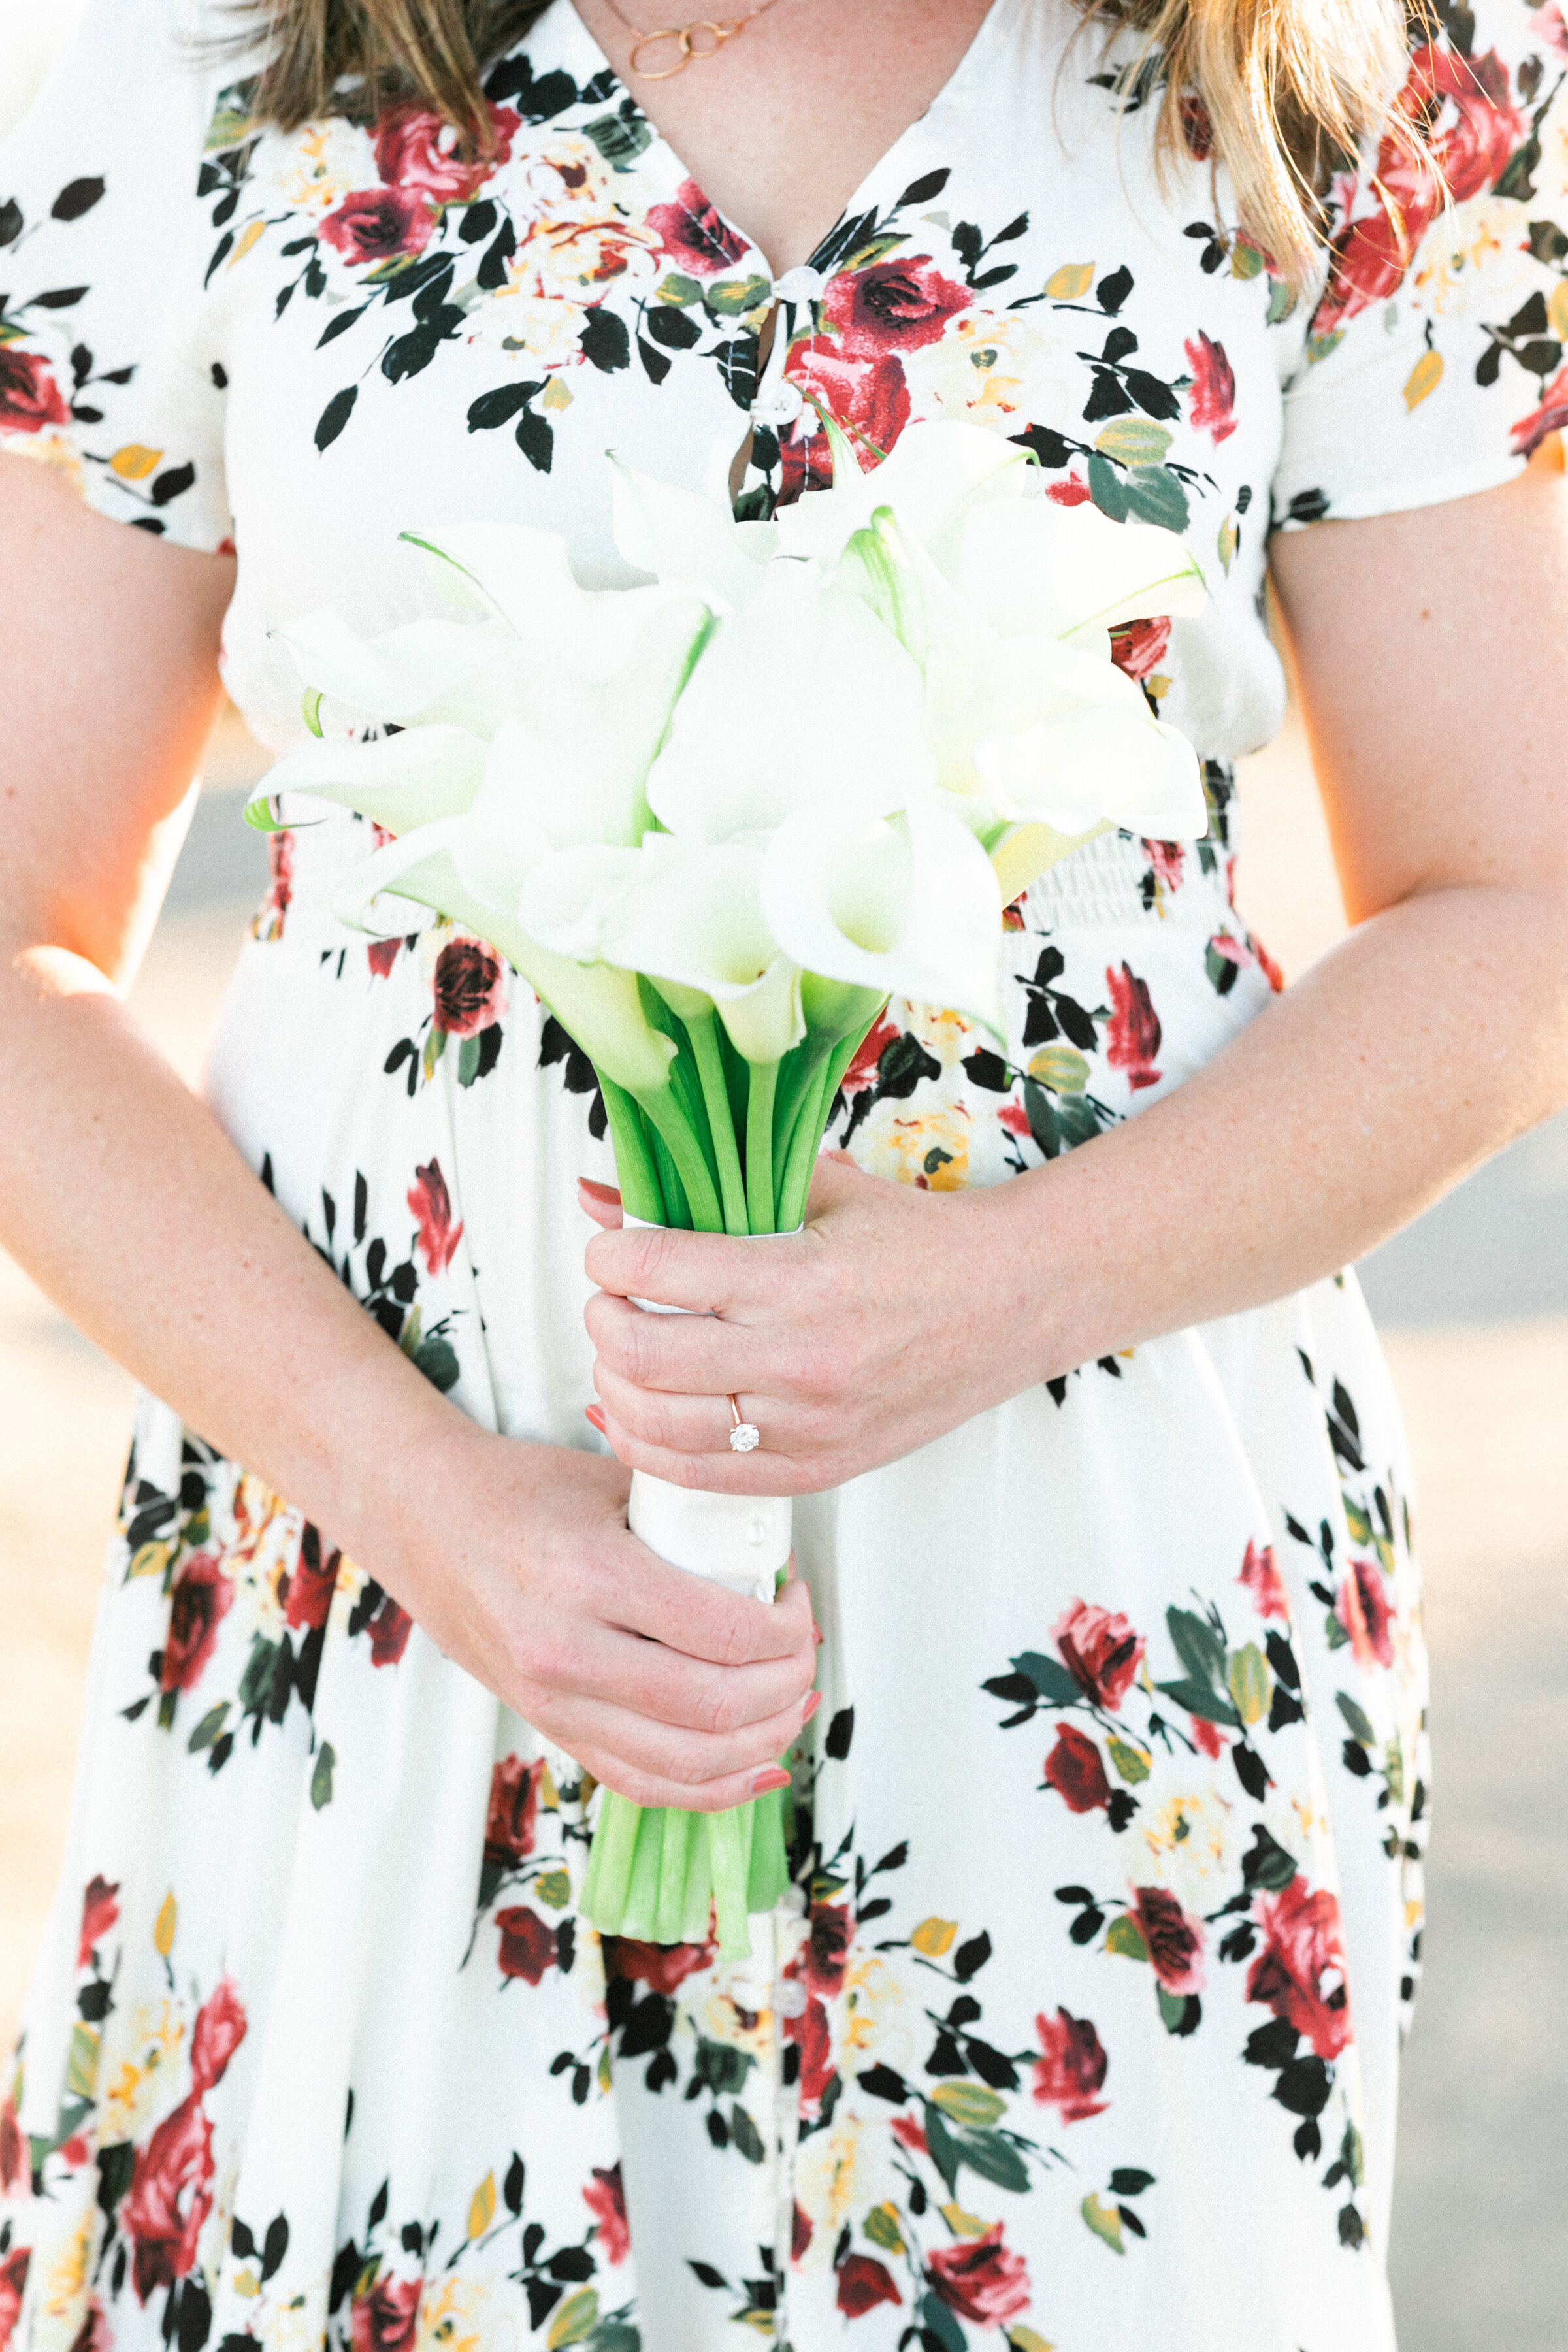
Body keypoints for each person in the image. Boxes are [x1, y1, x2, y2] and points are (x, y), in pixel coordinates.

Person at [2, 0, 1566, 2342]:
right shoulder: (189, 52)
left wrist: (1011, 1284)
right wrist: (415, 1489)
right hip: (397, 1584)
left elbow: (1518, 903)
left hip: (1086, 1614)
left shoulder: (1364, 60)